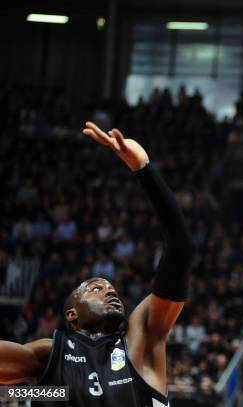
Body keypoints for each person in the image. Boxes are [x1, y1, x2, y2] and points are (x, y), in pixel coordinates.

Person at [0, 122, 194, 406]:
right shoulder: (50, 358)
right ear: (72, 315)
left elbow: (181, 248)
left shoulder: (141, 340)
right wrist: (20, 393)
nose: (109, 289)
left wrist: (143, 169)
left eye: (109, 286)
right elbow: (41, 391)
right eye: (94, 288)